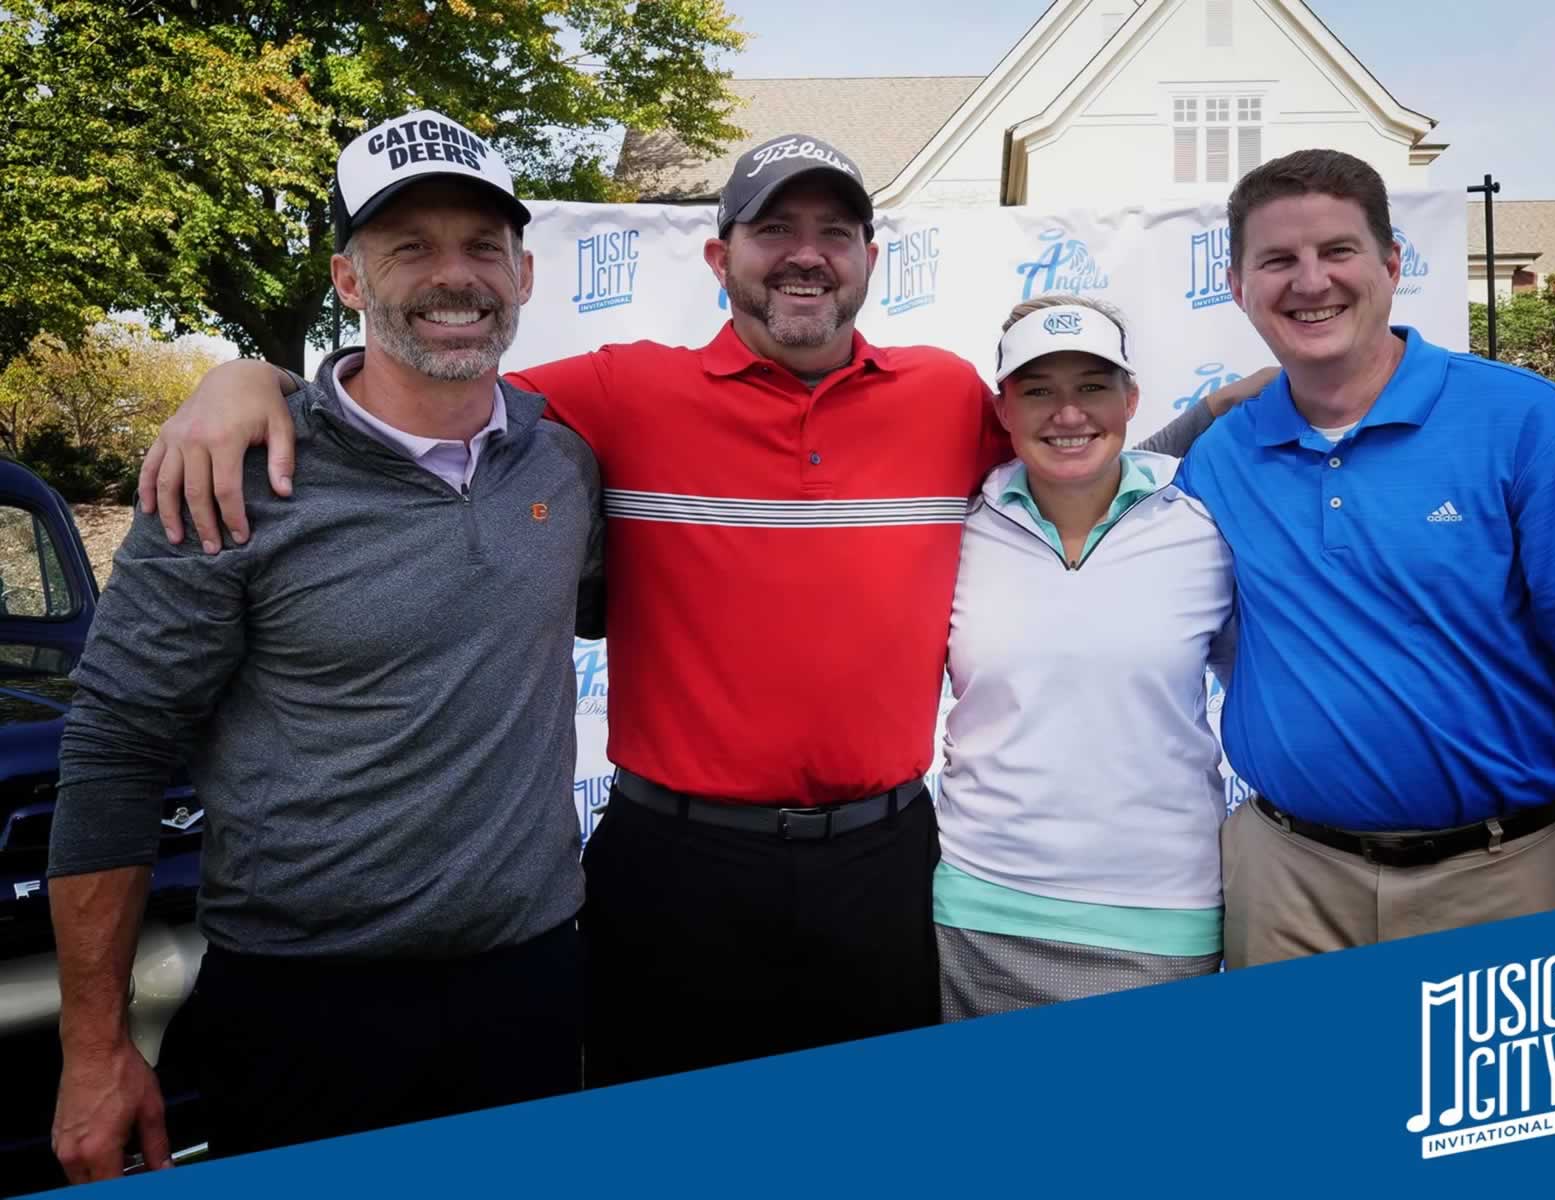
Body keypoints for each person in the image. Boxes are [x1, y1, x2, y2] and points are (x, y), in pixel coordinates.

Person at [130, 132, 1269, 1083]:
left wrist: (1254, 400)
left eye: (834, 232)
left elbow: (1080, 454)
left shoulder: (944, 398)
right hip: (671, 869)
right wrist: (250, 380)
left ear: (871, 260)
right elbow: (420, 390)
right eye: (775, 230)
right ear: (722, 257)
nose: (806, 255)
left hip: (881, 865)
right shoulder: (623, 390)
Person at [47, 109, 602, 1182]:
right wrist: (93, 1047)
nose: (455, 276)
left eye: (483, 247)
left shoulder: (561, 466)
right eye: (410, 247)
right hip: (304, 1008)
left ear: (525, 275)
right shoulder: (230, 475)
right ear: (349, 280)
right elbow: (116, 748)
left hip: (529, 986)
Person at [1172, 149, 1555, 968]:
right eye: (1277, 260)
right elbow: (1084, 481)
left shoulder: (1527, 425)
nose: (1310, 281)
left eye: (1337, 250)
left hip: (1509, 878)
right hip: (1287, 889)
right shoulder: (1219, 459)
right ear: (1237, 285)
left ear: (1391, 264)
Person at [934, 295, 1237, 1018]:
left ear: (1131, 399)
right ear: (1002, 410)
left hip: (1162, 915)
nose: (1068, 414)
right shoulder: (954, 530)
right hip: (980, 912)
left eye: (1093, 386)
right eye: (1039, 391)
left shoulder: (1204, 525)